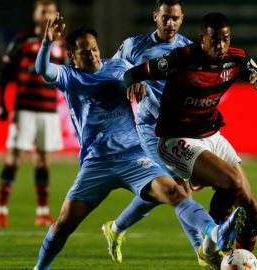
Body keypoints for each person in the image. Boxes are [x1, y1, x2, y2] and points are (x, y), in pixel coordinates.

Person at [32, 15, 245, 270]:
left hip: (134, 157)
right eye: (84, 52)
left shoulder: (119, 67)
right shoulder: (69, 77)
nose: (93, 55)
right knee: (64, 224)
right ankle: (39, 269)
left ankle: (215, 232)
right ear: (72, 56)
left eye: (95, 49)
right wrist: (46, 44)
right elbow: (43, 70)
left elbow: (136, 80)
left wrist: (138, 85)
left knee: (173, 191)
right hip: (97, 163)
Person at [124, 12, 257, 270]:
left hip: (212, 134)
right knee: (230, 181)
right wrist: (134, 83)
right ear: (202, 40)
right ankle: (210, 249)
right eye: (215, 40)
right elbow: (134, 73)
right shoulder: (182, 58)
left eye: (225, 39)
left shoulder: (237, 59)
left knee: (251, 207)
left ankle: (238, 261)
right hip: (177, 138)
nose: (221, 45)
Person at [100, 0, 209, 268]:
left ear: (182, 19)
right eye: (165, 18)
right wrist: (131, 77)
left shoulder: (187, 49)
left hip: (181, 126)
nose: (170, 23)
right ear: (155, 17)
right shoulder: (133, 46)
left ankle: (116, 227)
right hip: (150, 128)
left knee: (166, 190)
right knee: (179, 188)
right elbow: (111, 71)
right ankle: (203, 252)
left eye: (175, 18)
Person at [0, 0, 66, 228]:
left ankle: (42, 212)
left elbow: (65, 76)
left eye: (50, 10)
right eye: (42, 10)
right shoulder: (22, 40)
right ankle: (1, 209)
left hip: (49, 110)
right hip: (24, 108)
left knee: (44, 161)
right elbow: (5, 71)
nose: (46, 13)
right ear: (34, 14)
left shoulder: (61, 45)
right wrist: (1, 102)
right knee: (14, 157)